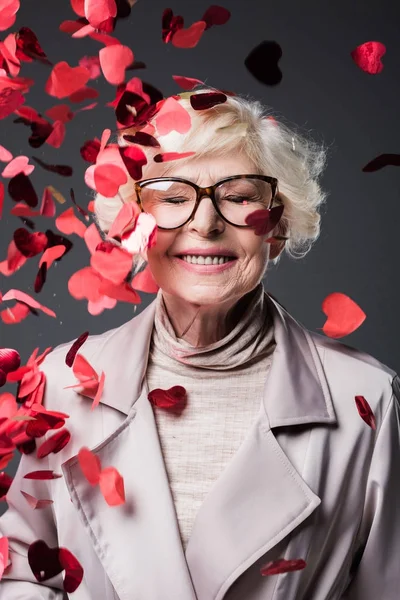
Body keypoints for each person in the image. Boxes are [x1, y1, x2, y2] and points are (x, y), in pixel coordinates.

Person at [0, 86, 399, 600]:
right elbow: (22, 576)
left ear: (275, 226)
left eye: (238, 197)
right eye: (171, 196)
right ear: (135, 224)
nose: (205, 223)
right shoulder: (60, 384)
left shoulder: (367, 397)